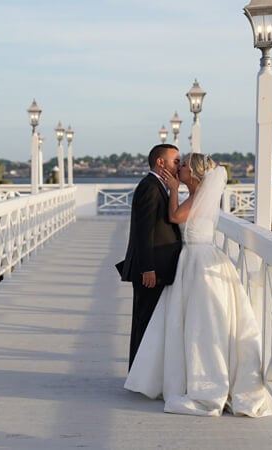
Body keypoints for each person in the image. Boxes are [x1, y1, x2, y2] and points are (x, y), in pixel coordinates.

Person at [124, 153, 272, 418]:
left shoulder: (196, 197)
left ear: (192, 173)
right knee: (186, 321)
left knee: (202, 323)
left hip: (199, 261)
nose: (178, 168)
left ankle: (207, 382)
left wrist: (172, 190)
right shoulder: (195, 195)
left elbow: (174, 217)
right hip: (190, 260)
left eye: (182, 166)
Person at [117, 144, 183, 371]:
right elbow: (143, 232)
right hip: (150, 269)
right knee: (144, 321)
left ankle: (142, 372)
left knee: (149, 321)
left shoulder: (157, 186)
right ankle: (138, 373)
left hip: (157, 266)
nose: (179, 165)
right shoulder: (150, 188)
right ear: (160, 162)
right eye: (176, 161)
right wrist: (148, 268)